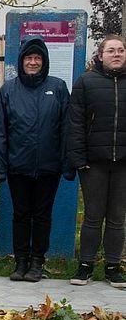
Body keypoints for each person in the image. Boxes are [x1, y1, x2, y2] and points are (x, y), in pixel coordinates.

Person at [0, 36, 69, 283]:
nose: (33, 62)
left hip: (48, 167)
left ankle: (37, 262)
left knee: (43, 215)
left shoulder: (57, 88)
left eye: (37, 58)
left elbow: (67, 128)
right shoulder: (8, 90)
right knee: (21, 214)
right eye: (29, 58)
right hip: (18, 167)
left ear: (44, 62)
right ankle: (20, 261)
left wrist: (67, 163)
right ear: (21, 61)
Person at [66, 34, 126, 288]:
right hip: (94, 163)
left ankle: (113, 267)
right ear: (100, 55)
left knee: (117, 217)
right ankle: (85, 266)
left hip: (123, 163)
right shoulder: (86, 82)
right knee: (92, 215)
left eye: (121, 50)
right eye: (111, 50)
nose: (117, 54)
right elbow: (75, 123)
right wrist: (78, 159)